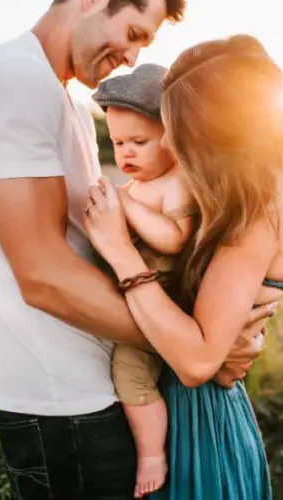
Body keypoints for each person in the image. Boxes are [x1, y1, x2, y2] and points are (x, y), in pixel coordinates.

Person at [0, 1, 280, 498]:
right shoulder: (16, 80)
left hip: (98, 391)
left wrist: (203, 338)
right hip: (63, 403)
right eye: (133, 31)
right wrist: (195, 347)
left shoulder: (68, 102)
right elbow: (41, 274)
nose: (133, 55)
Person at [83, 33, 283, 499]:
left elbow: (197, 361)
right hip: (181, 405)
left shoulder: (256, 207)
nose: (173, 146)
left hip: (201, 422)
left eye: (178, 131)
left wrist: (121, 252)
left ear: (214, 133)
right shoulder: (229, 196)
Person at [92, 62, 195, 497]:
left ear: (172, 137)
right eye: (118, 143)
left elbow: (174, 238)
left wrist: (125, 206)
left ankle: (152, 453)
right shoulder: (137, 186)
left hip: (161, 309)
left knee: (129, 374)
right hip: (132, 300)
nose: (127, 153)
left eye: (139, 141)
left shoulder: (176, 183)